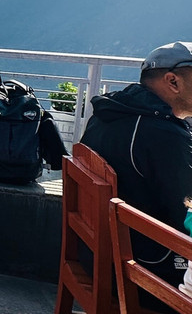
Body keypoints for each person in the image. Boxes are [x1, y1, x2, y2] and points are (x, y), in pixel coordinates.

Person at [81, 40, 192, 287]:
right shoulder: (163, 134)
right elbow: (187, 213)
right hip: (143, 271)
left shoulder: (110, 113)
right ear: (173, 81)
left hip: (98, 257)